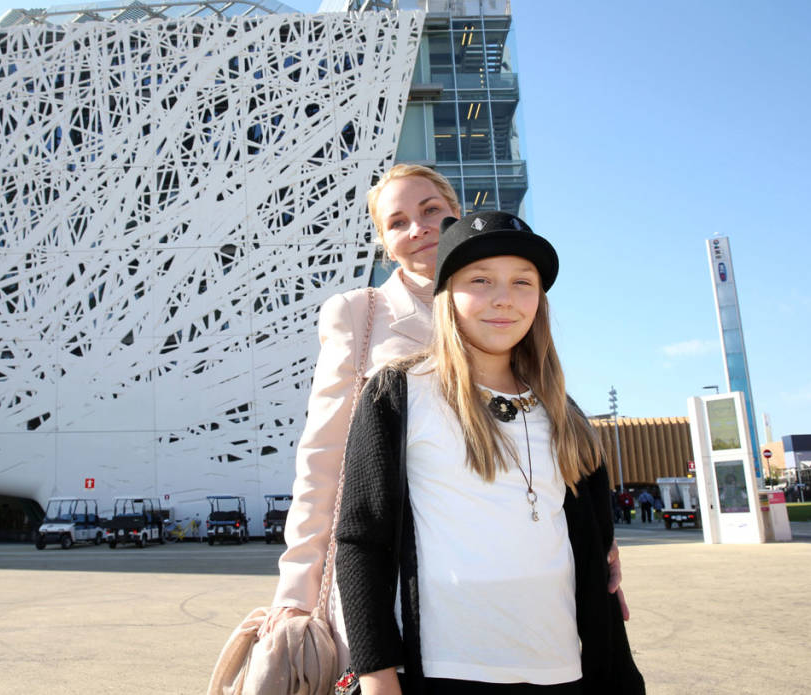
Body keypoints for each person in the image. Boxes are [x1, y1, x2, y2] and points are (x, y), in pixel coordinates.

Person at [262, 167, 630, 657]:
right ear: (384, 243)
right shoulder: (359, 314)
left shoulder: (504, 304)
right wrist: (296, 592)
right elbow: (324, 461)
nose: (418, 229)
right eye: (397, 223)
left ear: (458, 214)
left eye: (431, 211)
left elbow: (554, 441)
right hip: (400, 564)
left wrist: (596, 546)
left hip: (519, 579)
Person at [336, 211, 644, 693]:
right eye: (480, 279)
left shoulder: (566, 413)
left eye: (524, 282)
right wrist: (376, 673)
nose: (504, 298)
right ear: (445, 295)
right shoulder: (398, 393)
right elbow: (361, 541)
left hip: (562, 667)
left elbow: (593, 547)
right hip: (447, 670)